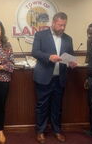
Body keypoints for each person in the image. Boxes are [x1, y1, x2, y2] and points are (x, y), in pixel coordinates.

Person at [32, 12, 77, 144]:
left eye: (64, 25)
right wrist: (49, 57)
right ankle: (40, 131)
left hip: (60, 78)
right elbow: (35, 52)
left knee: (57, 106)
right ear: (53, 23)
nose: (62, 28)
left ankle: (57, 130)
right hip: (44, 77)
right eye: (60, 25)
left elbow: (70, 56)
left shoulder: (68, 39)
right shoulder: (40, 35)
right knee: (42, 106)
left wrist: (72, 62)